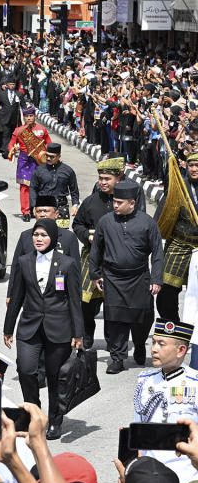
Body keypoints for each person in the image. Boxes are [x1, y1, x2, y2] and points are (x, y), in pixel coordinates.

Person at [3, 218, 83, 440]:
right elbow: (17, 296)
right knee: (26, 370)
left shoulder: (67, 264)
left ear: (53, 238)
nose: (39, 239)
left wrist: (78, 333)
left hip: (59, 329)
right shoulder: (24, 261)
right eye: (36, 235)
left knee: (55, 376)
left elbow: (75, 301)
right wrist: (8, 327)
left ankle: (56, 419)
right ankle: (33, 413)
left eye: (43, 235)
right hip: (29, 327)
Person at [90, 179, 164, 374]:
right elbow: (96, 250)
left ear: (131, 203)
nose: (115, 205)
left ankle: (139, 345)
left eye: (119, 202)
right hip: (113, 278)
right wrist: (95, 274)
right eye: (114, 201)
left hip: (139, 277)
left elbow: (157, 252)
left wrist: (157, 279)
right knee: (114, 319)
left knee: (143, 317)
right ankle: (117, 358)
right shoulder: (105, 222)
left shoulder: (147, 223)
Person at [72, 155, 145, 350]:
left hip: (119, 260)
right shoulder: (91, 202)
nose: (102, 182)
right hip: (92, 257)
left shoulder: (130, 202)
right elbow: (77, 224)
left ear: (118, 178)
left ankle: (113, 340)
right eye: (100, 178)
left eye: (107, 179)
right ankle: (87, 332)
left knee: (113, 305)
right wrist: (87, 235)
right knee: (85, 301)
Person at [132, 319, 198, 483]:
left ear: (181, 350)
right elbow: (139, 428)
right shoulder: (145, 380)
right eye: (153, 342)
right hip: (149, 474)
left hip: (185, 475)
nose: (154, 349)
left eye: (161, 344)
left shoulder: (194, 383)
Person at [156, 152, 198, 321]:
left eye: (197, 165)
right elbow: (161, 215)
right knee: (167, 291)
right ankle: (173, 326)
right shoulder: (178, 188)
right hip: (178, 245)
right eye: (191, 166)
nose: (194, 169)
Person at [7, 106, 51, 222]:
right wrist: (11, 150)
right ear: (24, 117)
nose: (29, 118)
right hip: (24, 160)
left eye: (31, 116)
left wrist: (52, 156)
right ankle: (25, 211)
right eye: (27, 116)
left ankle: (35, 209)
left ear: (35, 116)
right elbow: (11, 144)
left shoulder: (42, 130)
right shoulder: (19, 131)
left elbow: (48, 143)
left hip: (39, 160)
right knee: (25, 187)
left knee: (39, 186)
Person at [29, 143, 80, 226]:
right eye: (47, 156)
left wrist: (75, 205)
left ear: (59, 157)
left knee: (61, 235)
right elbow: (33, 188)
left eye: (52, 156)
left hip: (61, 207)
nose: (48, 158)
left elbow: (74, 190)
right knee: (44, 233)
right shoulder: (39, 170)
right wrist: (33, 205)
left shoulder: (68, 171)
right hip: (43, 207)